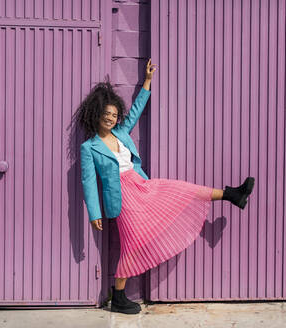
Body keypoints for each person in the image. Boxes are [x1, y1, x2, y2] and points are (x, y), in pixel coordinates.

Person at [74, 58, 255, 314]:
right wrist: (94, 214)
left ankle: (231, 194)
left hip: (141, 186)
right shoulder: (89, 147)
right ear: (97, 115)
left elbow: (135, 111)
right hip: (122, 198)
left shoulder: (121, 133)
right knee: (132, 243)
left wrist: (147, 81)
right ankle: (119, 296)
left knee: (181, 190)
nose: (111, 119)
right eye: (107, 115)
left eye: (114, 115)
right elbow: (89, 182)